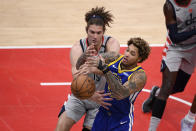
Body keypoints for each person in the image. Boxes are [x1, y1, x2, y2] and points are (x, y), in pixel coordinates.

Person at [55, 6, 120, 131]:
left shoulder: (112, 44)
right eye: (92, 32)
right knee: (60, 128)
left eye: (98, 33)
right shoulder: (77, 48)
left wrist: (94, 68)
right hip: (81, 95)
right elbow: (76, 78)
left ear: (103, 32)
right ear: (86, 30)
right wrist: (90, 95)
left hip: (101, 100)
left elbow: (111, 71)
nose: (95, 36)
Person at [141, 0, 196, 130]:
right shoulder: (169, 6)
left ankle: (156, 93)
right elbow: (175, 37)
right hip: (175, 48)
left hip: (193, 48)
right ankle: (152, 129)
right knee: (167, 87)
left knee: (178, 87)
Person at [85, 37, 151, 131]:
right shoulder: (115, 57)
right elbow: (93, 61)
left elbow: (120, 94)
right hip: (102, 114)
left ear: (139, 58)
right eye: (127, 50)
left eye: (132, 53)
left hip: (121, 120)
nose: (127, 54)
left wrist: (104, 69)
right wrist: (88, 58)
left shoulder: (139, 76)